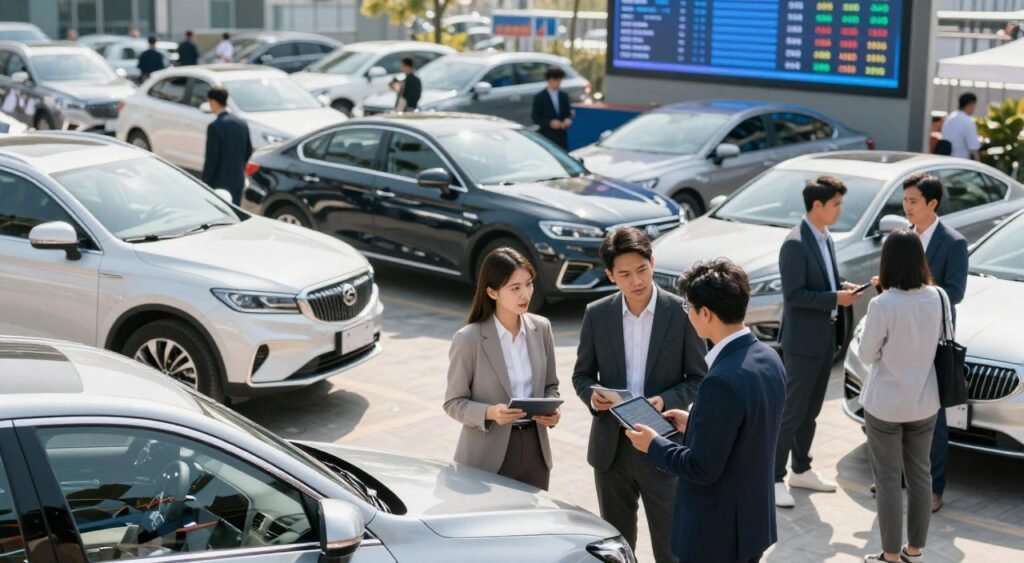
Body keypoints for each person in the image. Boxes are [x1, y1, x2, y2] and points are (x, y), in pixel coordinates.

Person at [624, 258, 786, 563]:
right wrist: (695, 423)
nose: (688, 315)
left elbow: (701, 468)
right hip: (753, 522)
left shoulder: (721, 381)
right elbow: (749, 430)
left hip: (717, 534)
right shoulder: (769, 357)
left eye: (689, 308)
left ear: (706, 313)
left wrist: (653, 445)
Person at [571, 227, 707, 563]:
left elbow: (699, 378)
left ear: (652, 262)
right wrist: (592, 396)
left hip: (664, 446)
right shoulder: (597, 314)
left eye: (642, 270)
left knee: (672, 547)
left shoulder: (681, 312)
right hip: (611, 451)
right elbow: (582, 374)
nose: (636, 281)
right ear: (610, 275)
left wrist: (665, 401)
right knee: (615, 548)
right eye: (625, 274)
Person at [872, 173, 968, 514]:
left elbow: (955, 292)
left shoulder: (953, 242)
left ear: (932, 203)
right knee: (897, 411)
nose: (907, 207)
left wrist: (915, 292)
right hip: (897, 337)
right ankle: (895, 476)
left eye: (913, 201)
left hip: (930, 340)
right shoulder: (903, 238)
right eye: (905, 200)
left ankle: (933, 488)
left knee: (932, 417)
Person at [857, 229, 948, 563]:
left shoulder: (882, 304)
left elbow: (867, 355)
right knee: (921, 475)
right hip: (925, 401)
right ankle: (915, 550)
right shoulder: (938, 297)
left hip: (886, 405)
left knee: (888, 481)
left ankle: (891, 556)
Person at [775, 175, 865, 508]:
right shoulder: (795, 243)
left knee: (811, 411)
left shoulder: (824, 238)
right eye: (836, 204)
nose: (840, 210)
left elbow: (823, 281)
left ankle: (801, 469)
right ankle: (773, 477)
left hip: (825, 337)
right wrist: (833, 298)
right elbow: (795, 294)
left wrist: (842, 287)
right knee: (792, 411)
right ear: (817, 205)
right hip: (802, 342)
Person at [442, 248, 561, 490]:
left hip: (535, 450)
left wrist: (552, 411)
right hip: (487, 455)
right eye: (514, 288)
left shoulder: (542, 328)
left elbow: (551, 385)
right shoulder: (469, 339)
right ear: (492, 292)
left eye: (528, 284)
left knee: (532, 524)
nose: (525, 294)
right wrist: (490, 412)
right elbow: (453, 402)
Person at [201, 87, 252, 205]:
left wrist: (205, 182)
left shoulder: (214, 127)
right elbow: (248, 151)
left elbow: (211, 159)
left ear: (213, 102)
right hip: (238, 179)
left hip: (219, 184)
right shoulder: (242, 123)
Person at [532, 66, 574, 150]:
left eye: (560, 81)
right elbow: (535, 117)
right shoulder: (540, 97)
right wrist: (549, 123)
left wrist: (568, 120)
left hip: (562, 136)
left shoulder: (563, 96)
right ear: (550, 80)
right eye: (557, 81)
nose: (559, 83)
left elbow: (568, 113)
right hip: (547, 136)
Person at [940, 93, 982, 160]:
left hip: (946, 160)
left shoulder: (950, 118)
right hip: (961, 163)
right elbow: (973, 148)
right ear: (971, 105)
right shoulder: (968, 121)